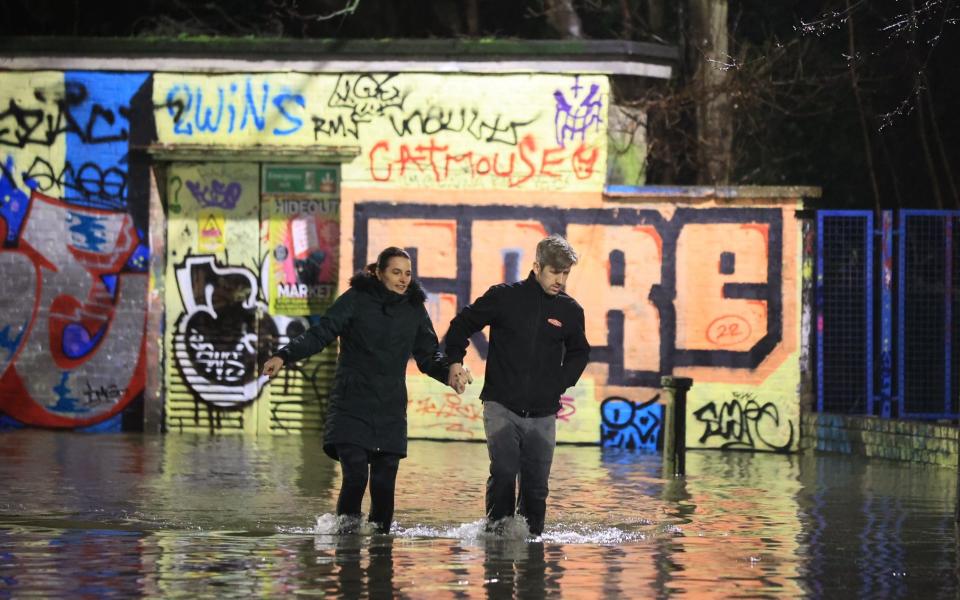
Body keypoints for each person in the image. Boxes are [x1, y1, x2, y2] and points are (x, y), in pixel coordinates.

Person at [262, 247, 468, 534]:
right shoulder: (356, 300)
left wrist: (449, 373)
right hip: (351, 403)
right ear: (379, 272)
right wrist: (283, 356)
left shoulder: (413, 309)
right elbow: (320, 334)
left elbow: (427, 355)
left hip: (390, 408)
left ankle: (381, 551)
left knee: (384, 484)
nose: (403, 279)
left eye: (408, 273)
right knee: (356, 475)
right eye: (396, 272)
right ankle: (346, 544)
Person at [443, 234, 590, 536]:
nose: (560, 280)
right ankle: (496, 538)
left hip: (543, 412)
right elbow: (461, 325)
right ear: (537, 267)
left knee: (536, 489)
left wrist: (558, 384)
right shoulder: (503, 297)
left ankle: (532, 553)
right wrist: (455, 361)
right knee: (505, 472)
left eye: (565, 274)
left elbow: (580, 353)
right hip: (501, 406)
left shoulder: (570, 311)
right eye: (554, 272)